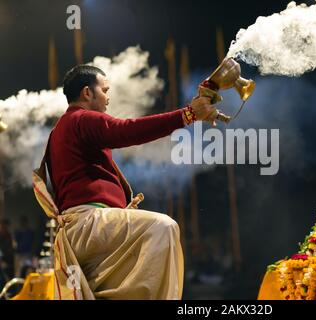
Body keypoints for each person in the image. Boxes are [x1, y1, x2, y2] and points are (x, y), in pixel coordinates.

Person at [41, 65, 218, 300]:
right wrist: (188, 114)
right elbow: (126, 131)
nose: (108, 97)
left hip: (81, 233)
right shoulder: (82, 119)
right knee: (163, 227)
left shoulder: (60, 130)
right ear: (87, 93)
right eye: (104, 90)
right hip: (90, 226)